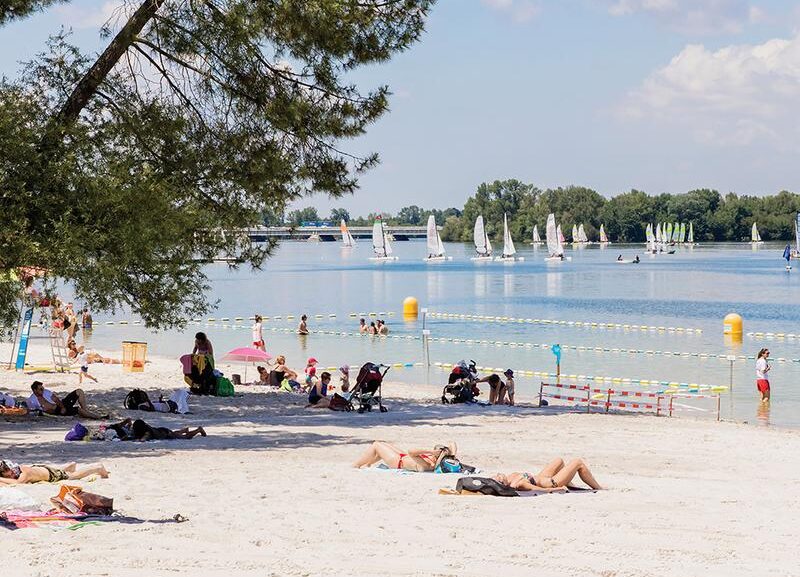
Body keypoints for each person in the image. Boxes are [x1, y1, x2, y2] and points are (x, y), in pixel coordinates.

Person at [493, 457, 603, 492]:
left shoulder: (510, 478)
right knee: (578, 462)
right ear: (502, 484)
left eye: (497, 475)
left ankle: (570, 483)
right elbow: (541, 490)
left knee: (559, 461)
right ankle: (598, 487)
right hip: (552, 483)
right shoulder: (518, 484)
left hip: (542, 477)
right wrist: (558, 488)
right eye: (499, 479)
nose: (499, 475)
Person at [353, 441, 456, 472]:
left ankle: (356, 465)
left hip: (397, 462)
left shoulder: (429, 464)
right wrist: (449, 453)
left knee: (376, 445)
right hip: (402, 456)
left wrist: (430, 451)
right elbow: (453, 443)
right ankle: (367, 464)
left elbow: (411, 452)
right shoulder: (432, 460)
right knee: (381, 446)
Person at [27, 381, 107, 419]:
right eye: (40, 389)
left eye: (42, 388)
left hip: (61, 406)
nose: (42, 390)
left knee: (79, 391)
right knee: (78, 410)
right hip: (56, 412)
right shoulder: (32, 400)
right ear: (35, 390)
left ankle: (86, 411)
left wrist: (62, 407)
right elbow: (32, 411)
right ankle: (98, 417)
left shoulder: (46, 392)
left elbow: (56, 400)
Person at [0, 460, 109, 484]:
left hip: (52, 475)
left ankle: (98, 467)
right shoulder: (19, 468)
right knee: (61, 470)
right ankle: (70, 465)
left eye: (10, 474)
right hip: (43, 469)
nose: (12, 476)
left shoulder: (25, 473)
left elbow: (19, 483)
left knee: (73, 476)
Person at [131, 418, 206, 441]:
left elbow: (143, 439)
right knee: (175, 434)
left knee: (186, 437)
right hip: (163, 431)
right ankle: (183, 430)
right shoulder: (146, 428)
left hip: (166, 433)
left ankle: (198, 430)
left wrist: (135, 438)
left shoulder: (147, 432)